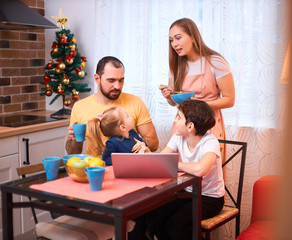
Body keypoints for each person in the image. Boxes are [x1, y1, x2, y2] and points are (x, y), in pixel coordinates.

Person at [130, 100, 225, 240]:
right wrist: (148, 154)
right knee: (151, 217)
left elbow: (200, 170)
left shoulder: (210, 142)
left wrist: (174, 163)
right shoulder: (178, 137)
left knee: (176, 225)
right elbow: (162, 161)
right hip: (186, 192)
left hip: (210, 198)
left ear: (190, 126)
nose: (175, 120)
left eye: (178, 117)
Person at [159, 17, 235, 163]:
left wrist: (201, 103)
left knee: (205, 173)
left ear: (193, 37)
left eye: (178, 38)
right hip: (181, 126)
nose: (174, 44)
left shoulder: (215, 62)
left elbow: (230, 100)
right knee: (179, 176)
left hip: (207, 124)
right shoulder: (176, 66)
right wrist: (169, 96)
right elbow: (175, 103)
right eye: (171, 40)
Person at [66, 56, 159, 158]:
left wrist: (141, 145)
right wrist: (74, 139)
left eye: (121, 80)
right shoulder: (80, 107)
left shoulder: (135, 102)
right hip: (96, 169)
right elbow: (73, 152)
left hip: (130, 169)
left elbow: (154, 144)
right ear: (97, 79)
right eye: (111, 80)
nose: (117, 86)